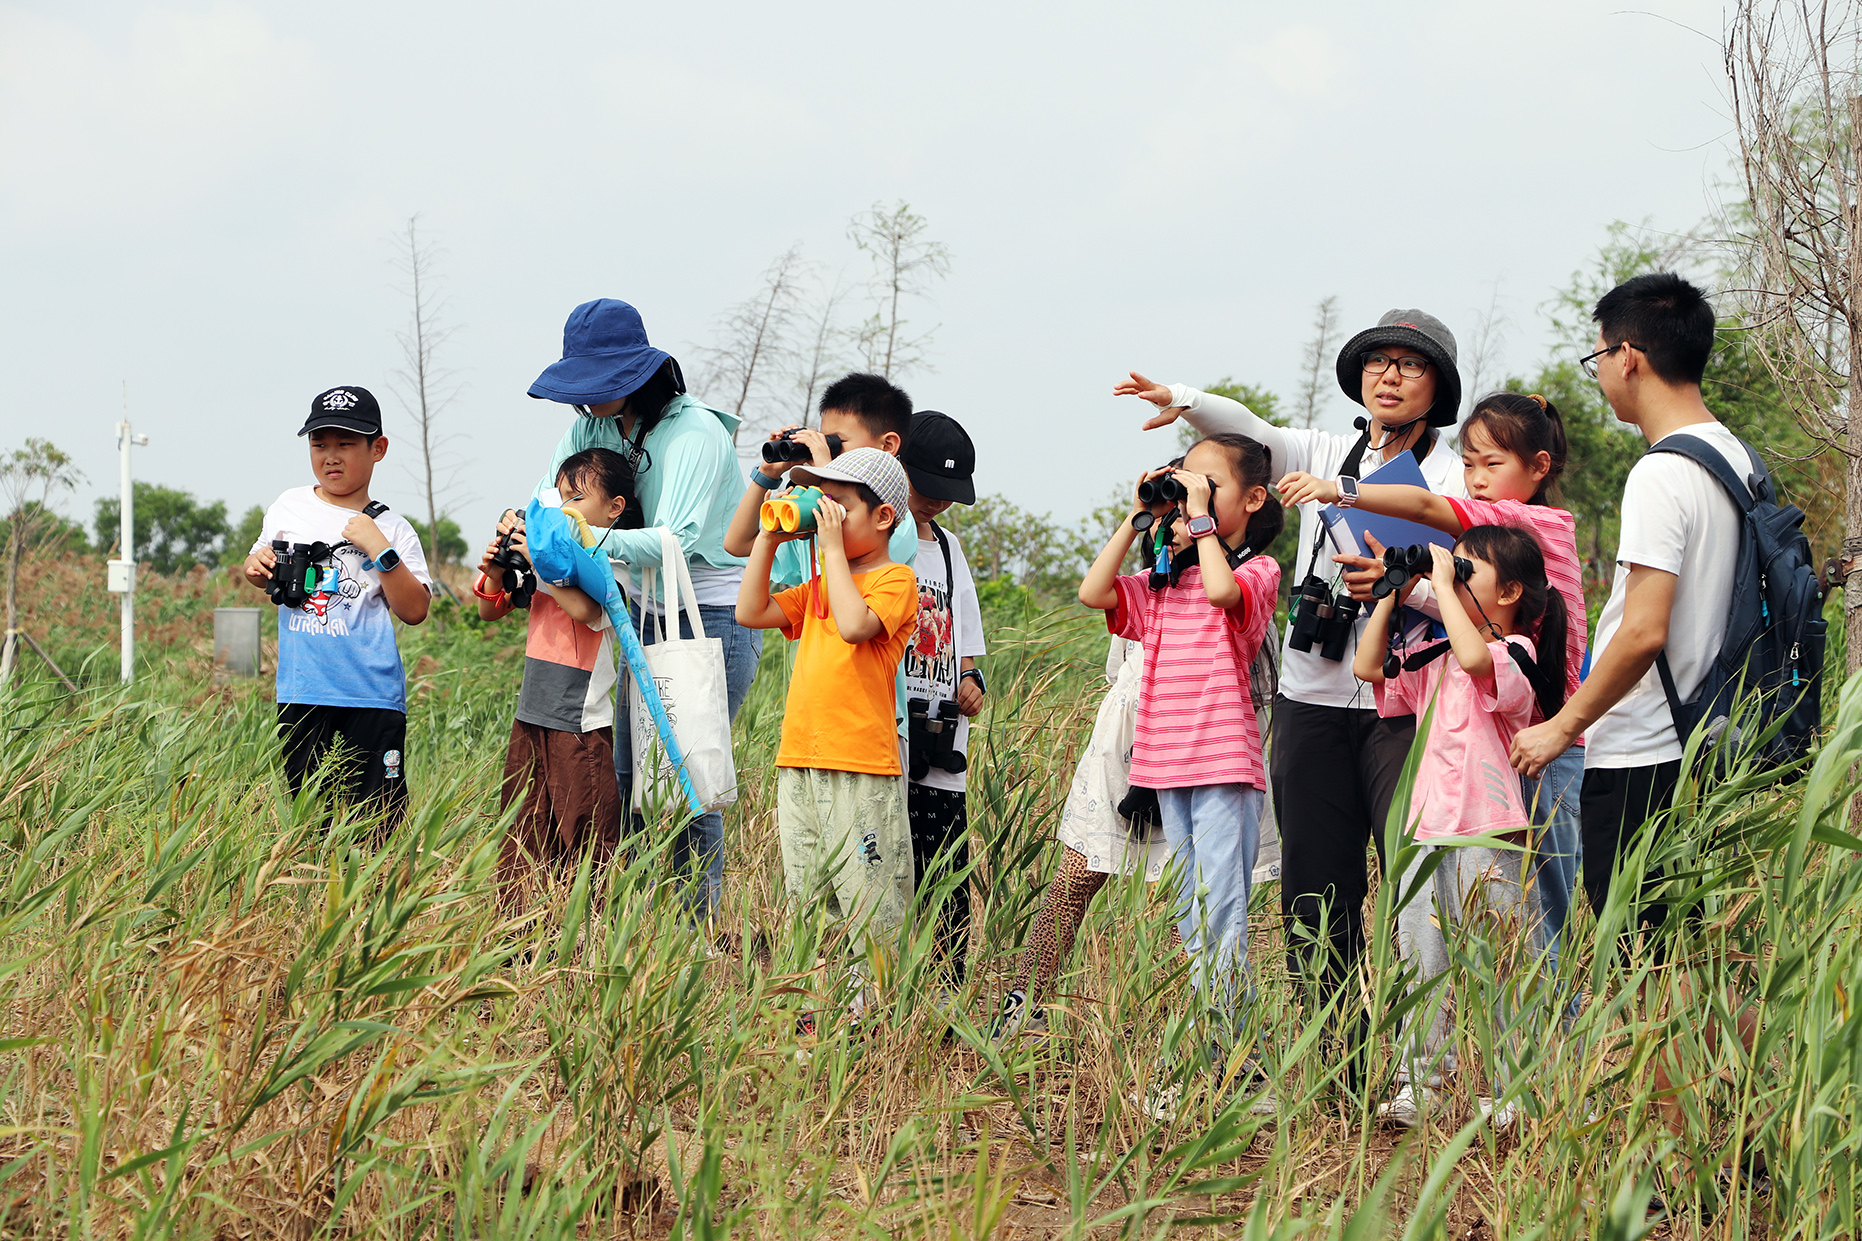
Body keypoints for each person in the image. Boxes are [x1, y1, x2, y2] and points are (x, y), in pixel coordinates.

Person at [1117, 309, 1465, 1050]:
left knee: (1411, 883)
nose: (1390, 376)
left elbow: (1475, 579)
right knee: (1314, 886)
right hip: (1310, 697)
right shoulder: (1323, 450)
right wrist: (1184, 396)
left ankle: (1416, 1070)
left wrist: (1404, 587)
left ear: (1439, 386)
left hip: (1406, 700)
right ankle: (1333, 1059)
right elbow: (1254, 435)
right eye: (1379, 362)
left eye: (1411, 365)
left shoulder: (1450, 474)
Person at [1277, 392, 1587, 969]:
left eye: (1493, 464)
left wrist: (1340, 489)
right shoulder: (1490, 555)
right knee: (1482, 934)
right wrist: (1398, 584)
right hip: (1490, 756)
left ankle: (1548, 1053)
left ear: (1539, 466)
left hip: (1543, 747)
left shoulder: (1535, 521)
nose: (1476, 480)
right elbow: (1473, 611)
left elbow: (1423, 505)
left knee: (1535, 937)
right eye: (1468, 465)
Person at [1510, 274, 1745, 936]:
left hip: (1644, 755)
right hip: (1710, 743)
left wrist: (1563, 727)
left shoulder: (1661, 471)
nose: (1601, 373)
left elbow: (1643, 631)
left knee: (1651, 973)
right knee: (1701, 962)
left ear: (1629, 357)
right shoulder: (1735, 457)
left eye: (1598, 357)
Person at [528, 298, 760, 922]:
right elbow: (552, 509)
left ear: (638, 373)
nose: (587, 398)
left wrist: (577, 536)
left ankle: (695, 937)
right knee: (629, 780)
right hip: (634, 607)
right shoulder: (589, 428)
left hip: (707, 612)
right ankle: (644, 932)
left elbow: (675, 543)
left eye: (600, 382)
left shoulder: (695, 432)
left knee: (687, 783)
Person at [1077, 433, 1284, 1066]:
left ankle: (1234, 1059)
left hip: (1222, 764)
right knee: (1193, 915)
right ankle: (1217, 1052)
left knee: (1221, 913)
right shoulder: (1162, 582)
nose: (1194, 492)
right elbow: (1095, 592)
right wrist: (1138, 516)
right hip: (1165, 765)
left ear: (1252, 500)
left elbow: (1225, 595)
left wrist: (1199, 524)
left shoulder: (1255, 571)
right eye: (1186, 480)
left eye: (1210, 484)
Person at [1352, 527, 1570, 1128]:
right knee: (1422, 958)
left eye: (1471, 570)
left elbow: (1478, 658)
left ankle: (1514, 1089)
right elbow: (1367, 665)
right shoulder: (1436, 653)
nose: (1455, 576)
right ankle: (1421, 1084)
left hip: (1489, 828)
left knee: (1499, 959)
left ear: (1511, 592)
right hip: (1426, 828)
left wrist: (1440, 582)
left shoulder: (1516, 651)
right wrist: (1393, 596)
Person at [735, 448, 918, 1030]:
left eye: (840, 505)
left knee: (872, 900)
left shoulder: (896, 580)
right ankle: (818, 1017)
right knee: (810, 900)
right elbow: (749, 611)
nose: (827, 515)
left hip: (860, 766)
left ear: (883, 517)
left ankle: (878, 1024)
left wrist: (833, 549)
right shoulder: (817, 584)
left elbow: (854, 625)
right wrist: (769, 536)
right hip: (801, 762)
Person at [241, 386, 432, 828]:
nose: (331, 456)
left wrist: (379, 549)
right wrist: (256, 566)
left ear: (377, 448)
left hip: (372, 697)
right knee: (311, 823)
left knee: (377, 825)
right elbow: (257, 560)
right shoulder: (289, 505)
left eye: (345, 443)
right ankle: (313, 897)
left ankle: (380, 897)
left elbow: (416, 609)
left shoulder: (393, 528)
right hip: (303, 692)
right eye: (319, 444)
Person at [476, 447, 633, 904]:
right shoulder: (548, 558)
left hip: (578, 725)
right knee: (523, 829)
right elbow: (489, 611)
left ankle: (592, 931)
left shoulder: (607, 562)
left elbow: (588, 611)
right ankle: (521, 935)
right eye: (559, 498)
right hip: (531, 717)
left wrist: (545, 568)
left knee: (585, 836)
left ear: (613, 508)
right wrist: (496, 570)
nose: (564, 510)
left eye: (577, 499)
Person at [896, 412, 988, 990]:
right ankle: (878, 997)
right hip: (890, 730)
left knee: (946, 878)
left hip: (943, 737)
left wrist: (973, 683)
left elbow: (968, 646)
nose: (934, 503)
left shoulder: (951, 551)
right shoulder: (876, 539)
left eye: (945, 495)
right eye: (925, 488)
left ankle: (944, 1000)